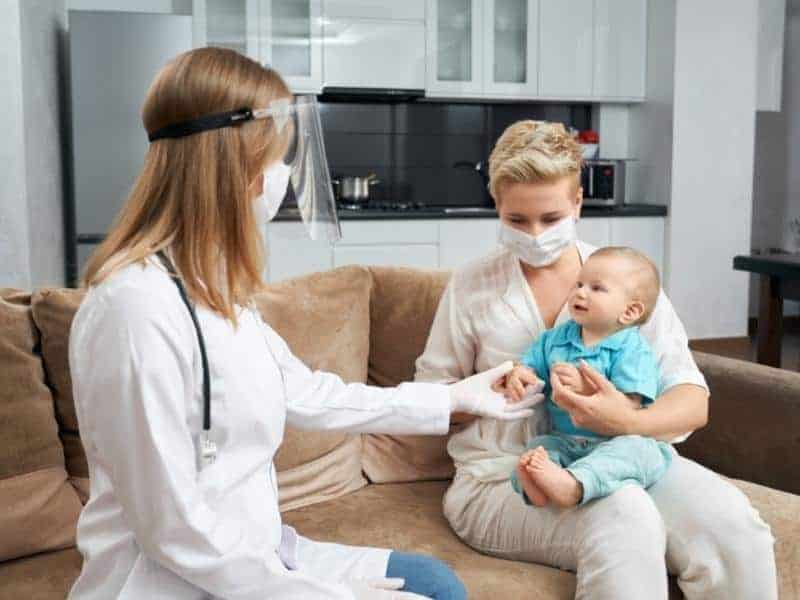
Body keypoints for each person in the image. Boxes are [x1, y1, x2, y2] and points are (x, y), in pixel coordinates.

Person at [66, 48, 540, 600]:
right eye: (275, 157)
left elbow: (308, 393)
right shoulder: (134, 311)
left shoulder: (213, 291)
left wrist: (455, 398)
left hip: (253, 553)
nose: (283, 175)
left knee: (435, 582)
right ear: (230, 164)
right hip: (174, 582)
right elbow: (176, 533)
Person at [415, 120, 777, 599]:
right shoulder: (472, 287)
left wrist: (624, 417)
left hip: (622, 456)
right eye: (517, 221)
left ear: (578, 203)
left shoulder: (624, 281)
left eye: (550, 218)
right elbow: (429, 402)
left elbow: (691, 399)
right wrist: (488, 392)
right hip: (501, 478)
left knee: (736, 528)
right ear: (496, 207)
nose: (535, 234)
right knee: (624, 515)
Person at [502, 246, 672, 508]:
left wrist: (587, 390)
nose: (580, 292)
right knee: (538, 450)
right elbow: (530, 365)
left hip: (613, 440)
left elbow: (631, 406)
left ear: (629, 312)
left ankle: (575, 485)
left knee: (642, 452)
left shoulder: (632, 349)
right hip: (564, 439)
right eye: (579, 284)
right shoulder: (555, 338)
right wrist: (519, 374)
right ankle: (536, 488)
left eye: (597, 288)